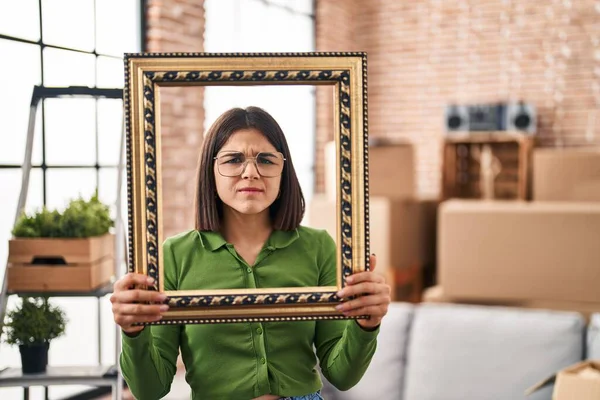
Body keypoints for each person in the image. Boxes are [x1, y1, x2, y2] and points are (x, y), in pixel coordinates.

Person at [110, 106, 391, 400]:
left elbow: (342, 376)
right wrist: (133, 332)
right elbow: (149, 389)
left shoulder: (318, 247)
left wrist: (366, 323)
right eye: (233, 160)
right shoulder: (175, 255)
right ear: (211, 169)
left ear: (284, 170)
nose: (251, 172)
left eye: (266, 160)